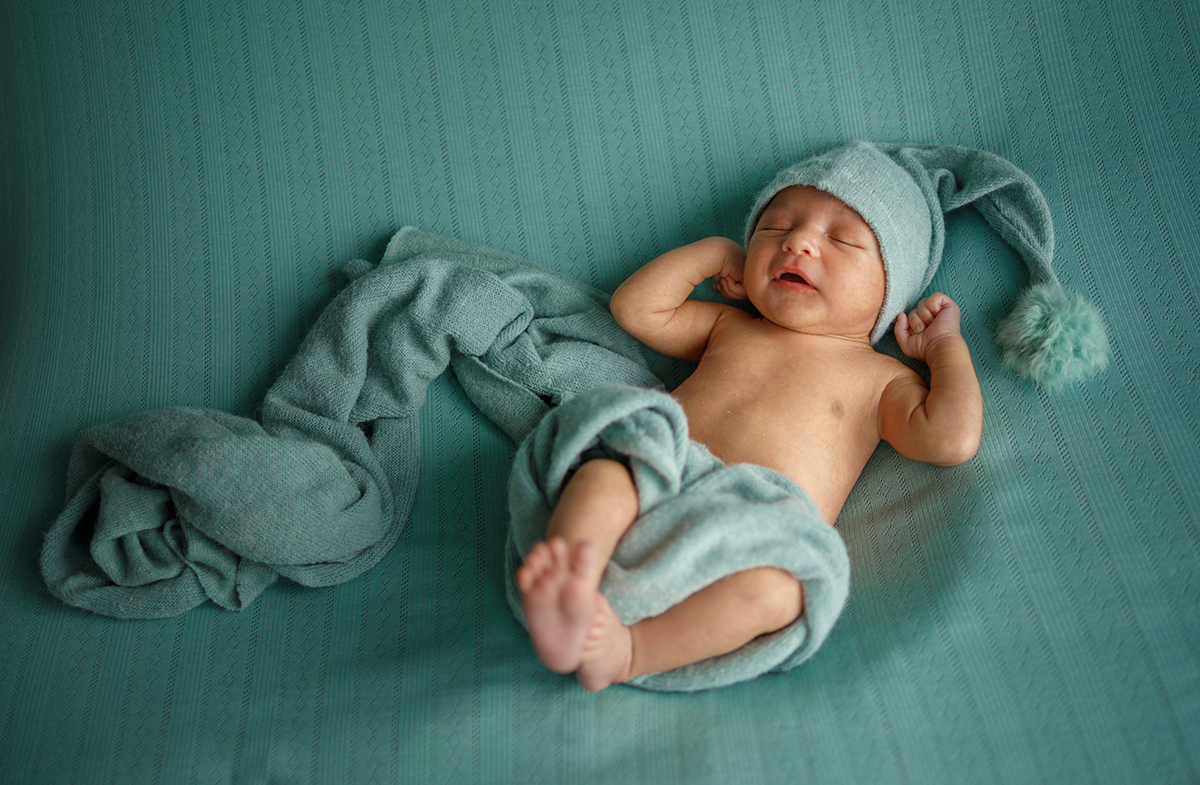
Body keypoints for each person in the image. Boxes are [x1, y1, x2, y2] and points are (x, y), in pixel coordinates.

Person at [510, 142, 1107, 692]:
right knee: (609, 468)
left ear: (890, 288)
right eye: (775, 227)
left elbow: (951, 439)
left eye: (844, 240)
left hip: (762, 521)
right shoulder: (732, 326)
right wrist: (717, 253)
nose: (798, 243)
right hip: (667, 469)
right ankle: (572, 578)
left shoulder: (882, 381)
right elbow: (636, 310)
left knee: (783, 590)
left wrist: (945, 347)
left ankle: (630, 650)